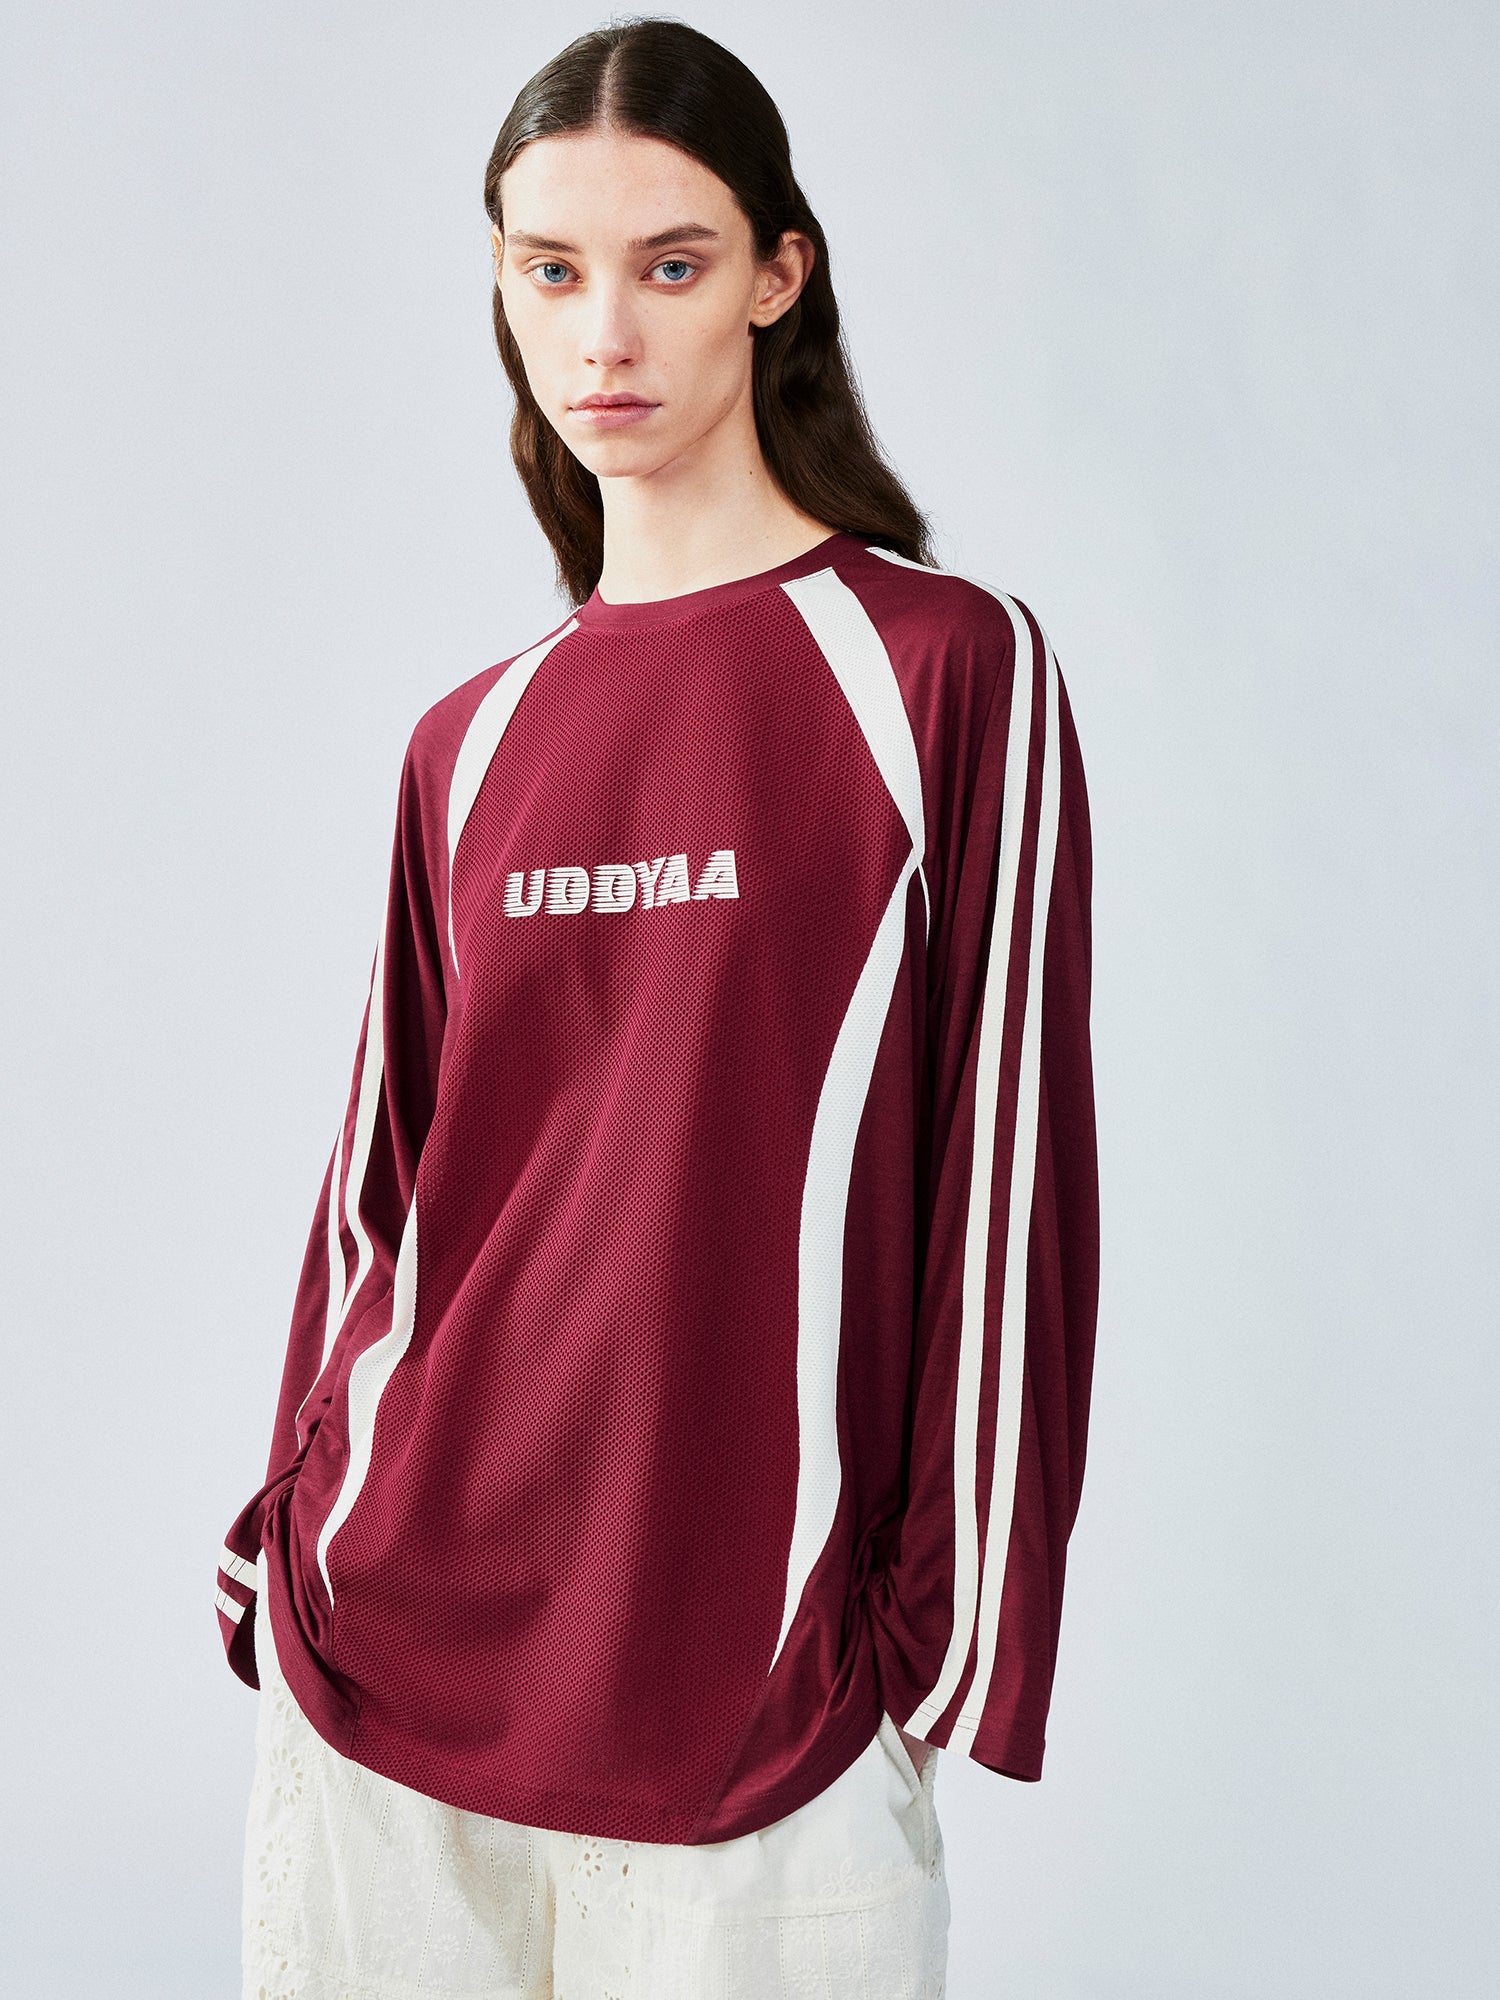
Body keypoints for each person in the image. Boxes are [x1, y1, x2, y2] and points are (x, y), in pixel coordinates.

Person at [215, 18, 1099, 1999]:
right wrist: (282, 1539)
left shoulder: (945, 672)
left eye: (670, 263)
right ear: (502, 286)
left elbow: (1007, 1186)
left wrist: (937, 1646)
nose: (603, 331)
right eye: (552, 270)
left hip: (760, 1717)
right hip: (384, 1688)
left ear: (778, 276)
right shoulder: (468, 740)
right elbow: (383, 1192)